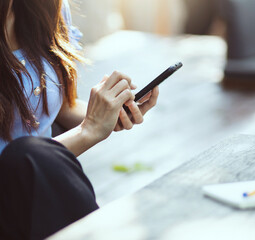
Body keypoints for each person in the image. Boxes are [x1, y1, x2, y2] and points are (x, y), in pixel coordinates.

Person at [0, 0, 159, 239]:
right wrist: (89, 130)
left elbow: (60, 107)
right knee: (27, 156)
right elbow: (26, 162)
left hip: (43, 194)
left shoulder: (47, 7)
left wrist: (108, 112)